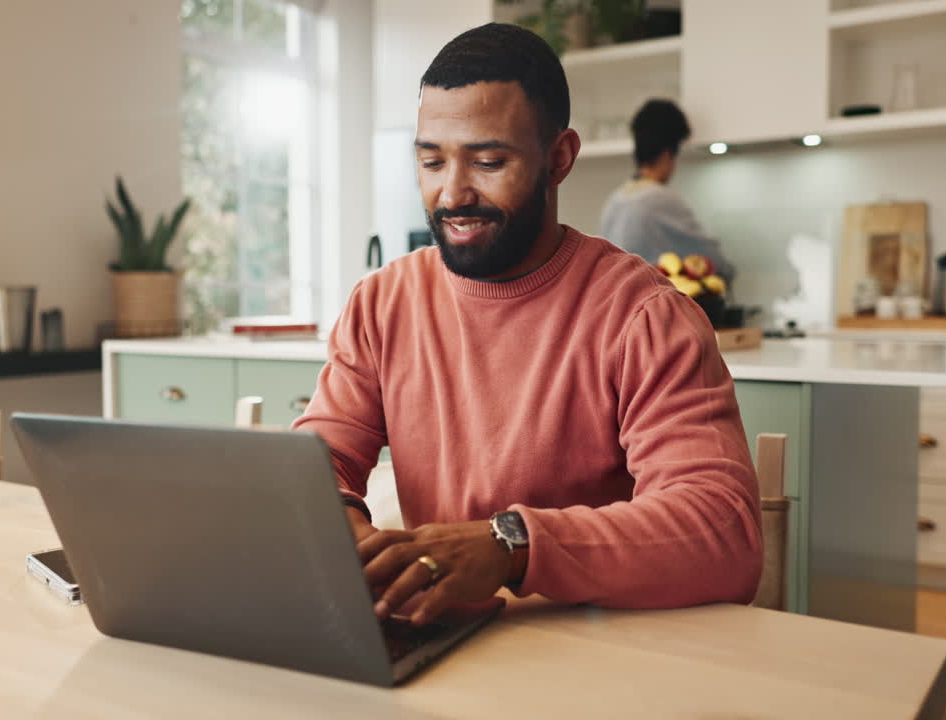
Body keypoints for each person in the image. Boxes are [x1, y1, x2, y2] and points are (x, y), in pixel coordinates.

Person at [293, 24, 760, 627]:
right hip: (447, 637)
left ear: (559, 159)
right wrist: (343, 532)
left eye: (488, 161)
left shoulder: (645, 315)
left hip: (600, 649)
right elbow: (314, 464)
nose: (452, 193)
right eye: (431, 161)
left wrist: (510, 545)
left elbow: (724, 530)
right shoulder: (383, 303)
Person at [599, 99, 735, 282]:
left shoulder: (615, 200)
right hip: (654, 306)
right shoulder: (661, 200)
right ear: (667, 154)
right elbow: (715, 262)